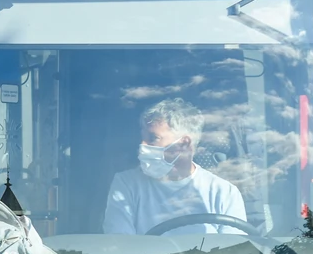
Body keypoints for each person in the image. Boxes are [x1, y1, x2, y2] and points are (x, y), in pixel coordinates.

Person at [103, 98, 248, 235]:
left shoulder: (224, 192)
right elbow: (120, 247)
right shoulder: (127, 184)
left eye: (153, 138)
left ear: (183, 143)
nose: (143, 145)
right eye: (143, 137)